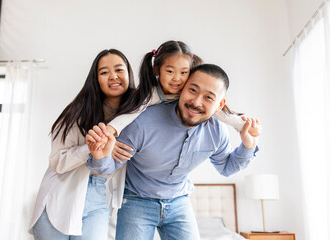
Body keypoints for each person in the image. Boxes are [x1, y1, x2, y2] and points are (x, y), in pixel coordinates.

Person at [87, 63, 261, 240]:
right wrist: (100, 157)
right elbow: (107, 168)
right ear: (182, 89)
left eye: (209, 97)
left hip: (179, 201)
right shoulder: (142, 123)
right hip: (136, 200)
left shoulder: (216, 132)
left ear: (219, 104)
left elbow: (227, 168)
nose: (196, 102)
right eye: (193, 90)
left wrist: (248, 145)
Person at [28, 49, 136, 240]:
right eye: (104, 72)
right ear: (95, 79)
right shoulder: (78, 112)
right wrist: (94, 147)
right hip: (60, 194)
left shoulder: (135, 115)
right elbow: (57, 161)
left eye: (119, 69)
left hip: (100, 197)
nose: (113, 76)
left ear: (129, 73)